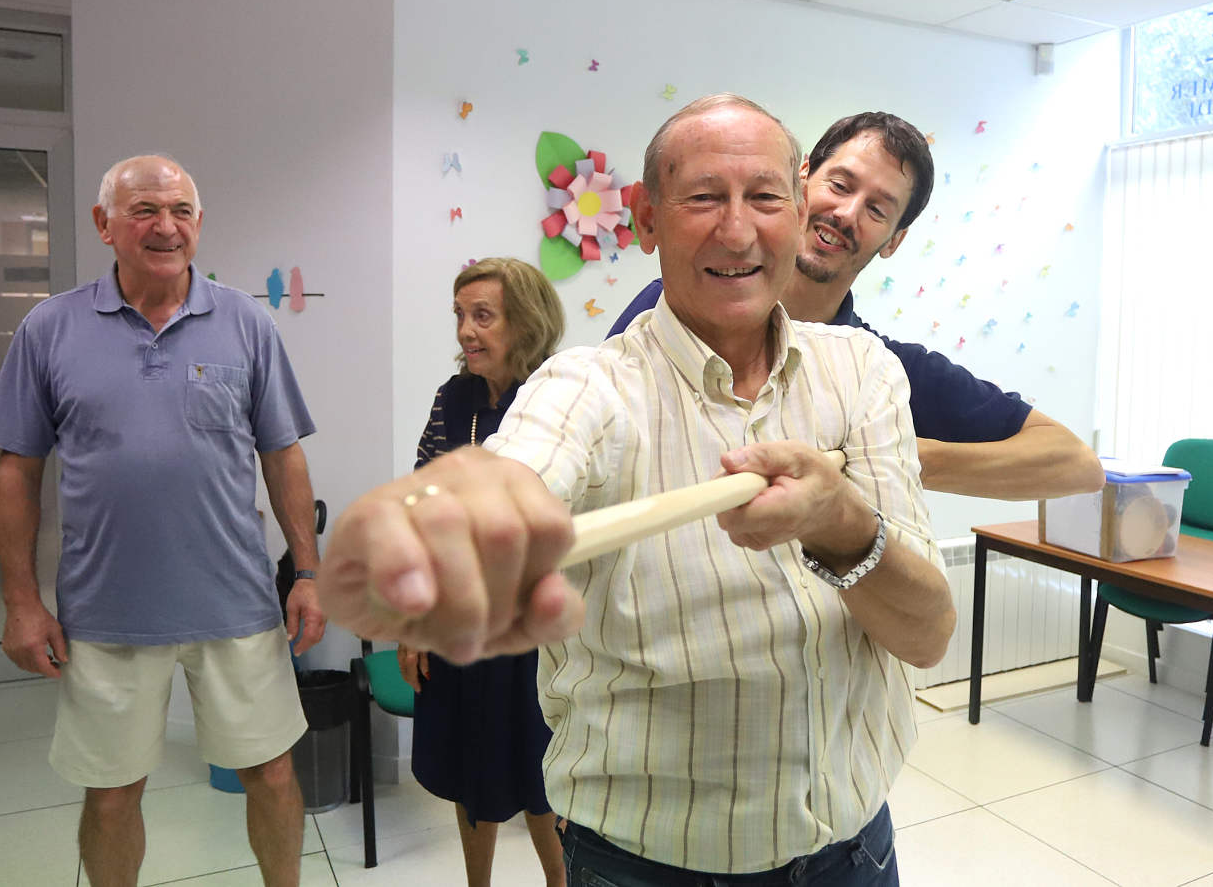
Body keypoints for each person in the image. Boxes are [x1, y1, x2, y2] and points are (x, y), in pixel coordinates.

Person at [318, 95, 953, 885]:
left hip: (854, 847)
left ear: (794, 210)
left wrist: (840, 520)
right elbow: (522, 468)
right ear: (646, 220)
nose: (736, 229)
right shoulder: (585, 385)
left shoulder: (862, 373)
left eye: (762, 197)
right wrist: (456, 524)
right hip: (640, 864)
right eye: (701, 198)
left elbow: (926, 638)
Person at [0, 154, 325, 887]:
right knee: (110, 793)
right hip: (107, 611)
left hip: (234, 600)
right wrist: (20, 602)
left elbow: (282, 453)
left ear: (198, 223)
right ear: (104, 224)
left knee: (270, 773)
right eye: (144, 210)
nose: (165, 227)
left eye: (180, 211)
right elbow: (18, 471)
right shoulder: (49, 328)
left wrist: (309, 573)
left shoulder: (245, 322)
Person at [608, 111, 1103, 501]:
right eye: (840, 185)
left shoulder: (876, 370)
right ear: (801, 182)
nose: (846, 214)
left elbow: (1075, 464)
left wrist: (884, 454)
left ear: (894, 240)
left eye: (877, 209)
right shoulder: (672, 308)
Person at [398, 257, 567, 887]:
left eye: (483, 316)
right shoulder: (455, 397)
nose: (467, 331)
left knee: (543, 771)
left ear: (524, 321)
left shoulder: (558, 393)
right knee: (473, 765)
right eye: (461, 316)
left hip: (537, 628)